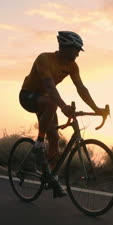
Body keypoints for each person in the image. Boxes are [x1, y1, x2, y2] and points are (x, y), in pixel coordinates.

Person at [19, 31, 108, 198]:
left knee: (54, 139)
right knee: (52, 104)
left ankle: (52, 177)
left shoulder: (72, 66)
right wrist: (63, 106)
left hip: (47, 99)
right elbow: (50, 87)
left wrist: (96, 108)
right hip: (28, 95)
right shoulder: (44, 59)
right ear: (64, 47)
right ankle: (38, 145)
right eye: (75, 49)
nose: (77, 54)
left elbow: (81, 88)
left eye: (79, 51)